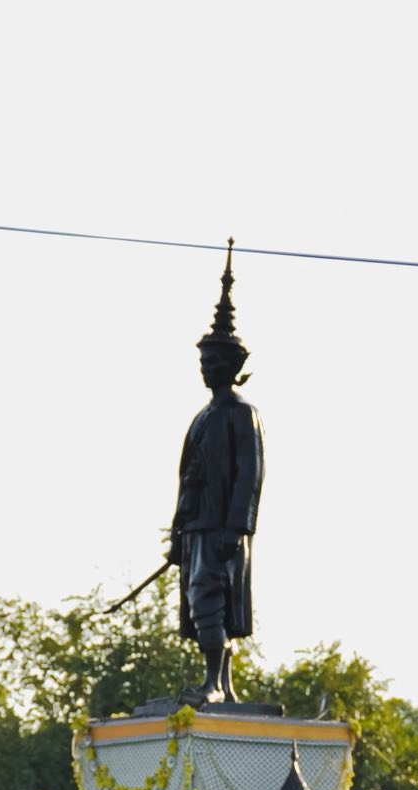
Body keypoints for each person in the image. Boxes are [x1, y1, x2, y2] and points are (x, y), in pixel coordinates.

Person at [169, 239, 265, 706]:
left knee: (212, 599)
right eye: (203, 360)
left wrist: (236, 526)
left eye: (212, 361)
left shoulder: (240, 414)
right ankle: (217, 684)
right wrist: (175, 534)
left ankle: (216, 684)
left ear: (230, 365)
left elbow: (250, 474)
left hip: (221, 528)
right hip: (197, 527)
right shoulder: (202, 417)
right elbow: (186, 478)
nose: (205, 368)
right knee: (198, 600)